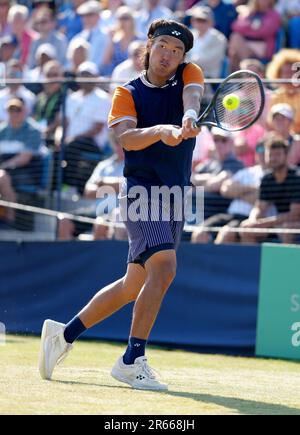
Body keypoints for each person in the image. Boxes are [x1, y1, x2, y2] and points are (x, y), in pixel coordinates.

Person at [39, 19, 204, 390]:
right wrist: (163, 131)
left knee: (134, 284)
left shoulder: (189, 73)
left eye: (177, 51)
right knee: (163, 268)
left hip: (175, 193)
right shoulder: (125, 92)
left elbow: (192, 97)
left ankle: (63, 335)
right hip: (140, 192)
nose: (169, 55)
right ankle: (132, 358)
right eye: (163, 46)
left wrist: (189, 116)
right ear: (150, 45)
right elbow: (127, 139)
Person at [192, 142, 266, 244]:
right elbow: (225, 189)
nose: (262, 153)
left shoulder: (271, 176)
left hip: (247, 218)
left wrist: (238, 192)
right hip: (229, 214)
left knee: (226, 234)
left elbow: (262, 198)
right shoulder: (246, 171)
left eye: (265, 150)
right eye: (259, 150)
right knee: (199, 233)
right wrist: (254, 190)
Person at [239, 136, 300, 245]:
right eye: (270, 155)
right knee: (246, 228)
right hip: (280, 222)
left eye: (277, 154)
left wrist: (264, 223)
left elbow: (294, 214)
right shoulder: (267, 179)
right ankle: (254, 262)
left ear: (286, 156)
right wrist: (253, 221)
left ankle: (284, 262)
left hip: (291, 223)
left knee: (287, 229)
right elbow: (259, 207)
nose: (273, 158)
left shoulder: (297, 177)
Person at [63, 61, 112, 193]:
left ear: (96, 78)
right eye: (83, 75)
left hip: (93, 142)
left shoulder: (103, 99)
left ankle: (72, 187)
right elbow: (66, 123)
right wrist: (60, 138)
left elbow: (97, 129)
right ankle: (58, 187)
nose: (86, 79)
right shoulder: (72, 98)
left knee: (71, 146)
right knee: (55, 148)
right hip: (71, 141)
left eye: (89, 75)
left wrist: (71, 139)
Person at [0, 97, 44, 224]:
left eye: (17, 110)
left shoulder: (33, 130)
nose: (14, 114)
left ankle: (10, 218)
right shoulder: (2, 130)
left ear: (24, 111)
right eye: (11, 110)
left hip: (28, 171)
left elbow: (24, 158)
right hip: (6, 169)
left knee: (2, 178)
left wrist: (4, 166)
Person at [192, 127, 244, 219]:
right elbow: (190, 180)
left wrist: (200, 182)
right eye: (216, 140)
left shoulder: (236, 165)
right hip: (195, 209)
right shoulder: (208, 163)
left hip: (216, 214)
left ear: (231, 142)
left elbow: (214, 185)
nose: (219, 144)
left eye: (223, 140)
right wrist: (209, 177)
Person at [229, 0, 281, 72]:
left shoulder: (274, 14)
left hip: (263, 49)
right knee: (235, 37)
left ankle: (248, 67)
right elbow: (236, 26)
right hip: (246, 45)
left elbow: (267, 30)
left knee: (235, 45)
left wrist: (248, 28)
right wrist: (253, 27)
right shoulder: (249, 12)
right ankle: (236, 76)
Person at [70, 0, 110, 73]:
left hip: (98, 76)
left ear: (98, 15)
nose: (86, 18)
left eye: (90, 15)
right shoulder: (77, 37)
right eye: (83, 15)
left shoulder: (106, 35)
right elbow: (70, 61)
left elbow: (102, 62)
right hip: (79, 77)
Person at [267, 49, 300, 134]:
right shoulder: (275, 97)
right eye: (285, 72)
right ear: (278, 74)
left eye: (292, 72)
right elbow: (272, 123)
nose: (288, 76)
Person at [101, 6, 141, 77]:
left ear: (132, 20)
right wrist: (110, 39)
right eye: (120, 18)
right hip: (116, 77)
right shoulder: (115, 41)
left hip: (134, 76)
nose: (122, 21)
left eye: (125, 18)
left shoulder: (139, 40)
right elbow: (105, 62)